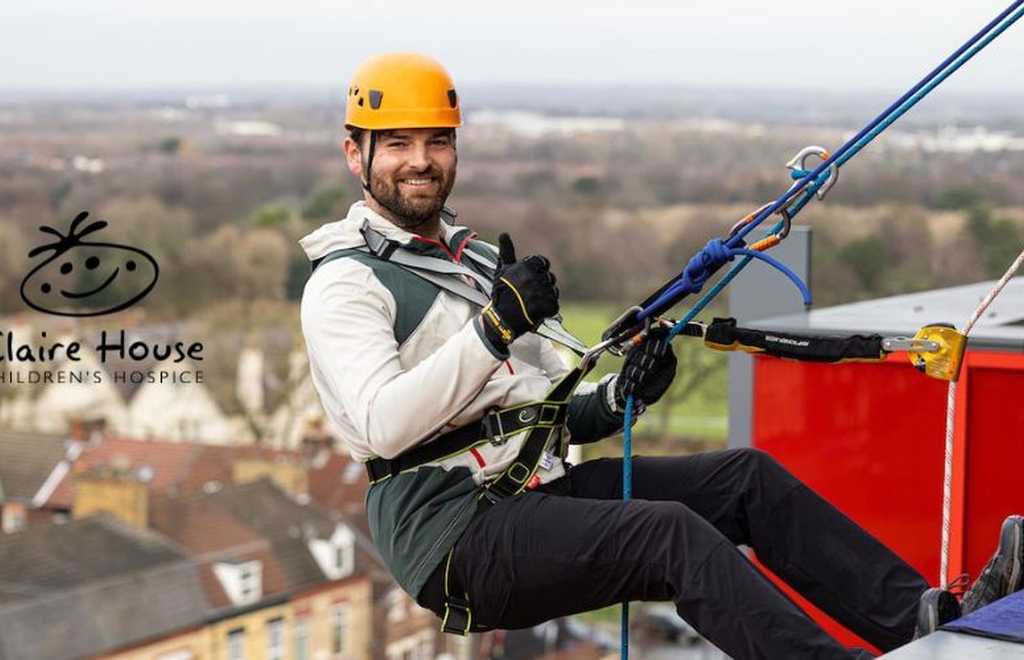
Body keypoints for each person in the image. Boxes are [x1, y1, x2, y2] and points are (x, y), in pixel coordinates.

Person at [299, 52, 1024, 659]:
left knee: (745, 479)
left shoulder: (475, 260)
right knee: (667, 534)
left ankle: (925, 618)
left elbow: (550, 412)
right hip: (454, 539)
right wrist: (492, 329)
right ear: (354, 153)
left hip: (529, 495)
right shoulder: (346, 283)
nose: (420, 161)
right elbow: (383, 425)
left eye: (436, 142)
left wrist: (622, 398)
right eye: (396, 143)